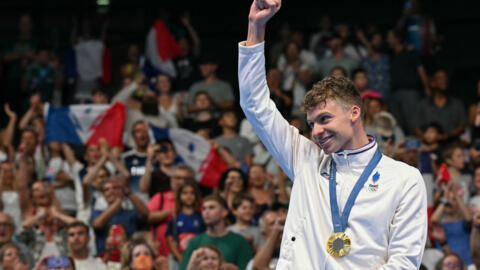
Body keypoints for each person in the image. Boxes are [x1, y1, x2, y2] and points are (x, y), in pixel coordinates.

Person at [238, 0, 427, 268]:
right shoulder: (305, 160)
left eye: (324, 119)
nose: (316, 131)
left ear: (354, 113)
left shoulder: (405, 179)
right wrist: (255, 27)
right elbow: (255, 105)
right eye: (312, 123)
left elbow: (403, 264)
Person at [180, 195, 252, 270]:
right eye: (204, 209)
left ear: (224, 212)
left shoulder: (239, 242)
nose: (206, 212)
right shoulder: (194, 242)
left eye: (211, 207)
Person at [166, 181, 205, 268]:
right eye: (185, 193)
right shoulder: (175, 217)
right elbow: (170, 239)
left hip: (199, 257)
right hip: (179, 258)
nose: (189, 196)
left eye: (192, 193)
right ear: (179, 196)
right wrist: (179, 257)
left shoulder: (201, 217)